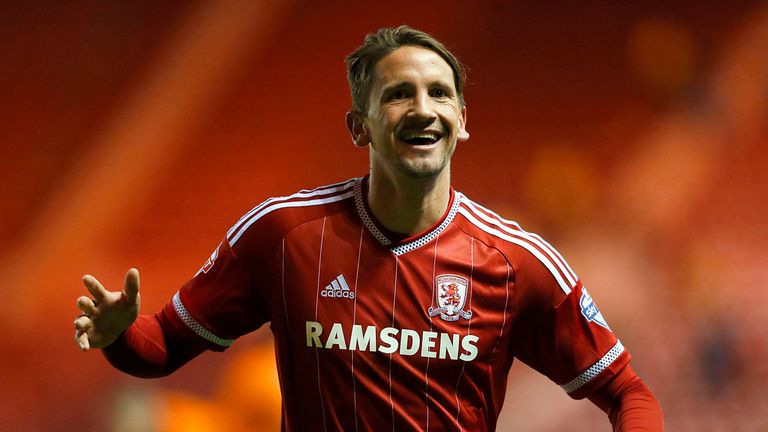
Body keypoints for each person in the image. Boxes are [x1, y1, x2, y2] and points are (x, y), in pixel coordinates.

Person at [73, 25, 663, 431]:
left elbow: (628, 393)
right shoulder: (285, 235)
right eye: (399, 94)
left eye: (439, 93)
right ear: (360, 127)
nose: (423, 107)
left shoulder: (516, 262)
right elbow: (159, 350)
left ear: (461, 121)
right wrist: (119, 335)